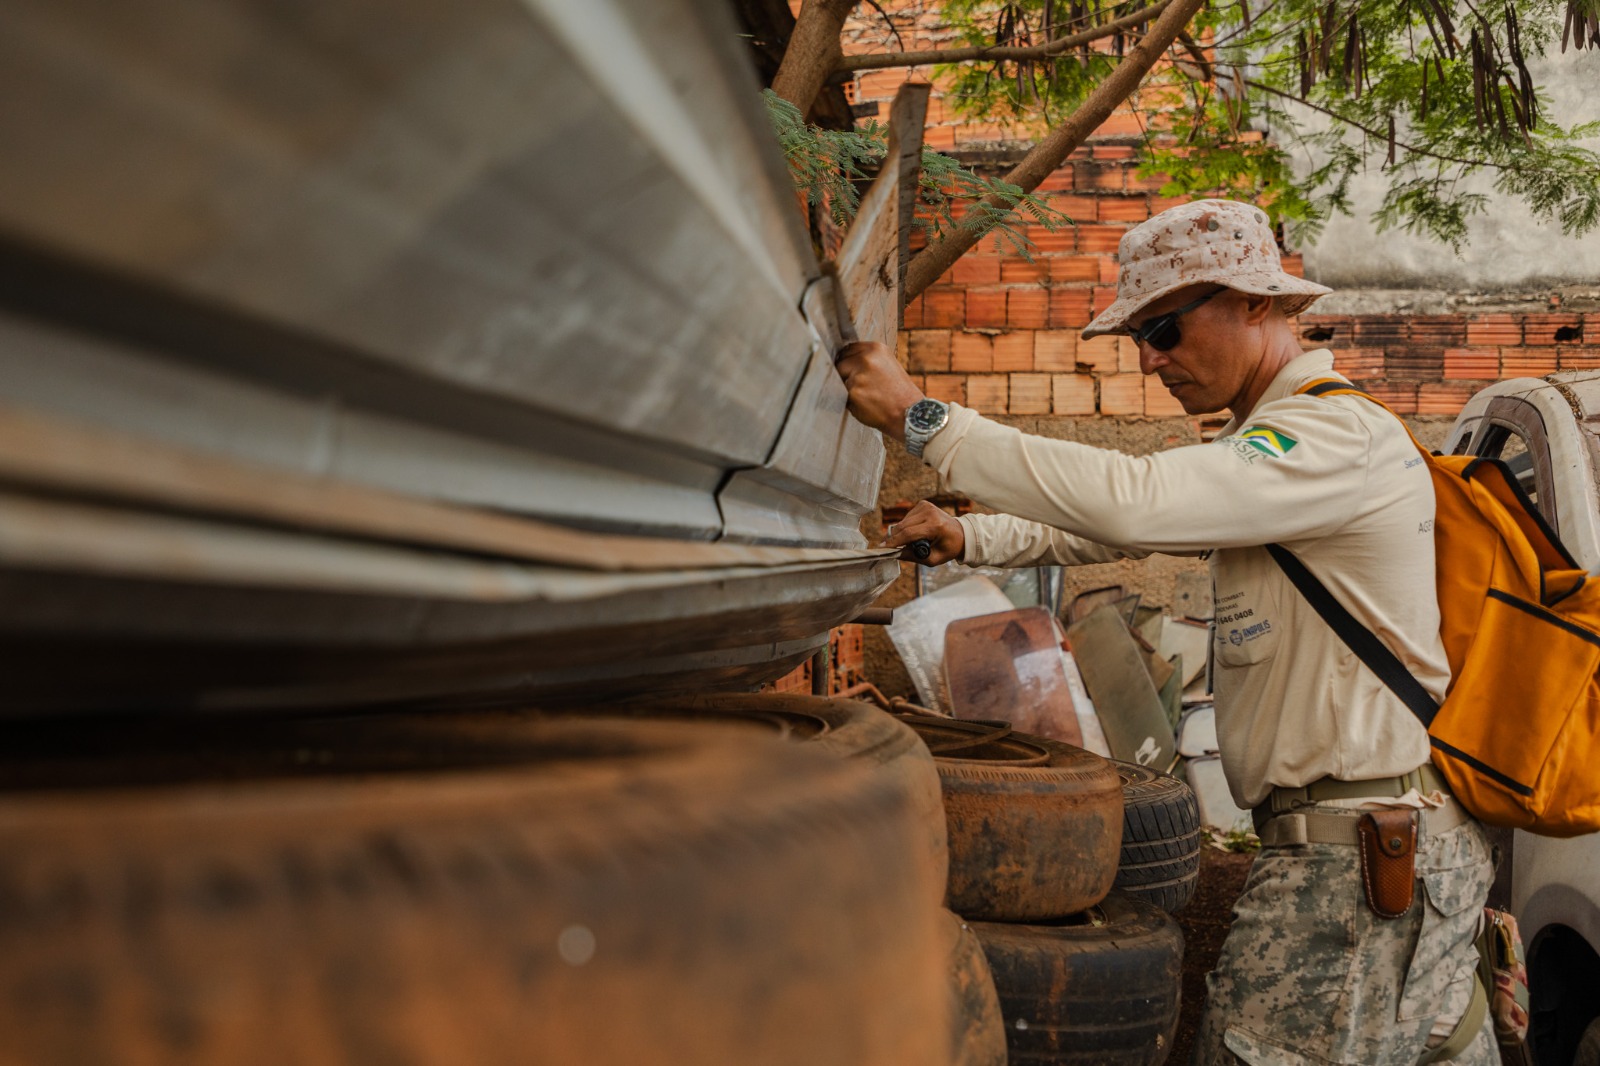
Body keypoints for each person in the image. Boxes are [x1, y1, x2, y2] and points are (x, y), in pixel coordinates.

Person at [836, 198, 1496, 1065]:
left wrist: (925, 419)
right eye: (1139, 337)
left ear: (1257, 303)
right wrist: (973, 535)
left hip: (1357, 868)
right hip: (1371, 854)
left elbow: (1136, 497)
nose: (1152, 360)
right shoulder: (1269, 447)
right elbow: (1123, 526)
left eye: (1168, 329)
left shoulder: (1332, 436)